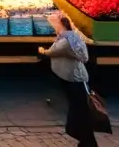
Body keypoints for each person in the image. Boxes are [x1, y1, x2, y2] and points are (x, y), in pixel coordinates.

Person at [39, 12, 96, 147]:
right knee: (79, 110)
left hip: (76, 79)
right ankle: (85, 140)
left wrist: (42, 50)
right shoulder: (72, 36)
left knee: (80, 111)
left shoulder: (65, 42)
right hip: (73, 79)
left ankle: (87, 141)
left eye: (54, 25)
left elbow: (52, 52)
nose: (53, 28)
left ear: (61, 25)